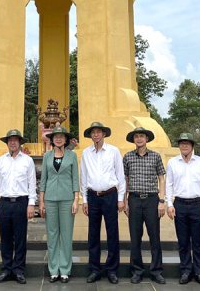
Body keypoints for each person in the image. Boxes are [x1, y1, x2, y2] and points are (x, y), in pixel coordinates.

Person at [79, 121, 125, 284]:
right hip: (92, 196)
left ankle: (112, 270)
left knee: (112, 233)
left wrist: (121, 199)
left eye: (99, 132)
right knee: (93, 233)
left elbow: (120, 176)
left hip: (110, 195)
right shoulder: (86, 153)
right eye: (93, 132)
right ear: (90, 135)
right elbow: (83, 177)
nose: (96, 135)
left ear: (104, 134)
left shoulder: (113, 151)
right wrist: (84, 199)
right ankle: (94, 269)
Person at [0, 129, 36, 284]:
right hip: (4, 203)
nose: (13, 142)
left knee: (21, 238)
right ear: (7, 143)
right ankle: (7, 269)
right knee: (6, 238)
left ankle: (19, 270)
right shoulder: (0, 161)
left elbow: (32, 183)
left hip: (21, 202)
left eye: (15, 140)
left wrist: (31, 204)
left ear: (20, 142)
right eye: (10, 140)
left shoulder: (27, 160)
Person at [165, 132, 200, 285]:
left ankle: (199, 272)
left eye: (187, 143)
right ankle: (185, 271)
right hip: (179, 204)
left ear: (192, 146)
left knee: (198, 241)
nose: (184, 146)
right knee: (183, 241)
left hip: (197, 204)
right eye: (181, 143)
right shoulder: (173, 162)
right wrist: (169, 204)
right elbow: (169, 185)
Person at [123, 126, 166, 284]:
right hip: (134, 199)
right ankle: (137, 270)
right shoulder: (127, 157)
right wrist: (125, 200)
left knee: (154, 236)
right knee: (135, 237)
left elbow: (161, 179)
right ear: (133, 140)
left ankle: (156, 271)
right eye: (136, 137)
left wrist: (162, 201)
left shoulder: (155, 156)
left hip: (152, 200)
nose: (139, 139)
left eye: (142, 136)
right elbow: (125, 180)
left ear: (146, 139)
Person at [38, 126, 79, 283]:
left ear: (65, 139)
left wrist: (76, 199)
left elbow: (75, 178)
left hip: (67, 199)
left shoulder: (72, 156)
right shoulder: (47, 156)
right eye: (56, 137)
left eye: (61, 136)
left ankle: (65, 269)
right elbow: (43, 180)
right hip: (49, 200)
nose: (58, 139)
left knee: (66, 235)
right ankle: (53, 269)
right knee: (52, 234)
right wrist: (41, 202)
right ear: (52, 139)